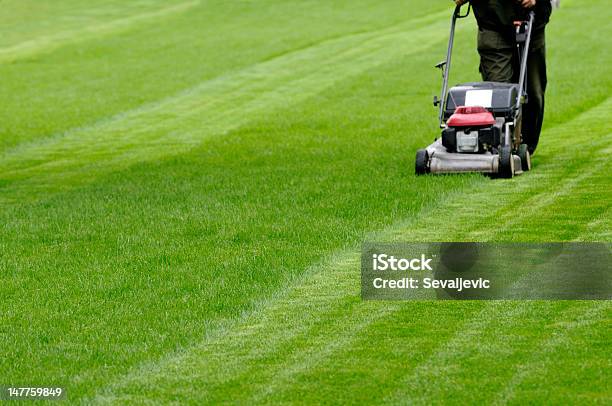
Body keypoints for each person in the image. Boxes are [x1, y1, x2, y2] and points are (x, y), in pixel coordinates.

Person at [454, 0, 552, 155]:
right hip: (492, 23)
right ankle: (500, 147)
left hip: (532, 23)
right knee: (498, 96)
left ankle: (524, 148)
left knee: (534, 94)